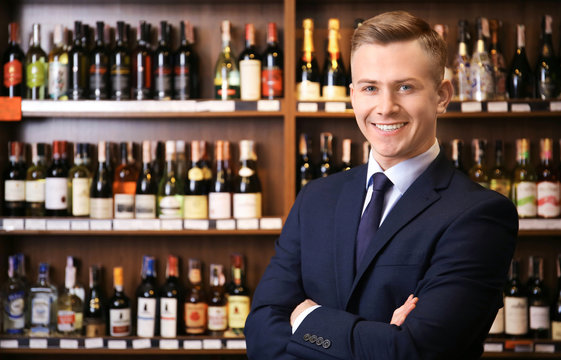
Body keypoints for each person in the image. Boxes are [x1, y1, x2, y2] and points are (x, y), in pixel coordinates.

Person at [244, 10, 518, 360]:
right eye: (370, 88)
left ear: (442, 96)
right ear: (353, 96)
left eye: (405, 87)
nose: (385, 107)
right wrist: (381, 337)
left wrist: (307, 319)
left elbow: (415, 351)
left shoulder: (480, 215)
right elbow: (261, 332)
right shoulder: (315, 198)